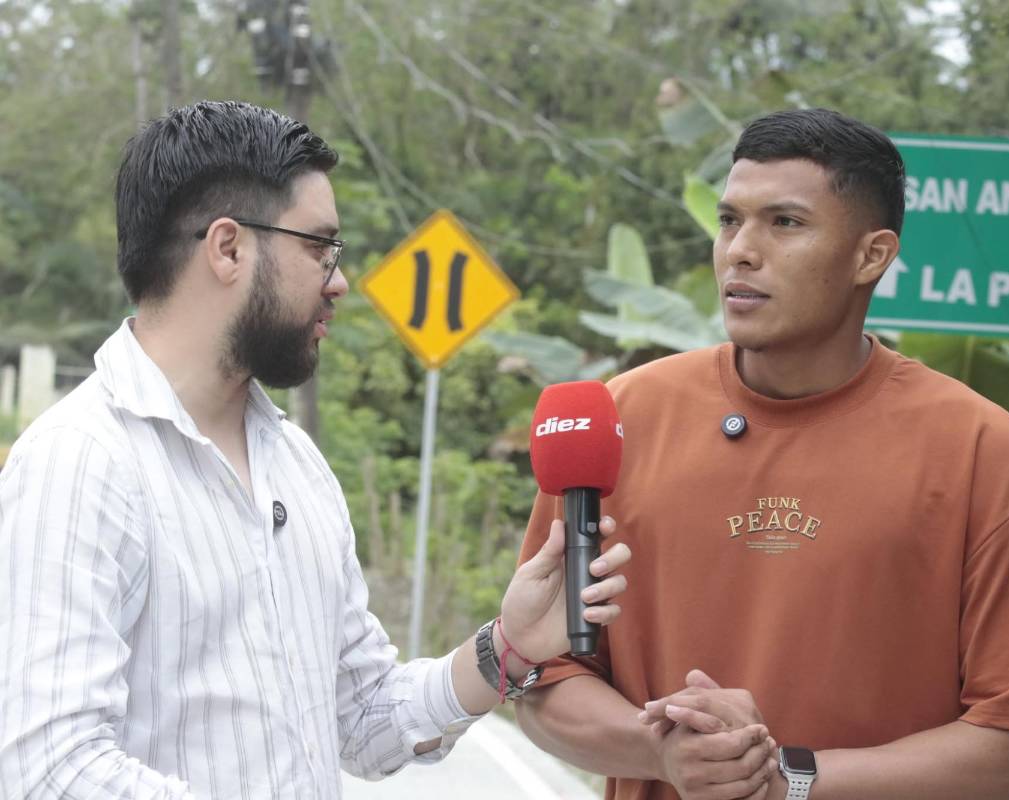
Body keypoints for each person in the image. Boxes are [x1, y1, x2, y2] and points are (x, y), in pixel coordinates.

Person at [0, 100, 631, 799]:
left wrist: (505, 650)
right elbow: (50, 769)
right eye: (318, 248)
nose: (339, 280)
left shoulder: (295, 463)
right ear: (229, 248)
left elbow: (360, 721)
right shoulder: (80, 461)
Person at [513, 108, 1009, 800]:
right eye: (730, 220)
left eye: (785, 223)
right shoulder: (619, 420)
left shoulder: (977, 447)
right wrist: (666, 752)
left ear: (872, 256)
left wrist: (789, 779)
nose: (740, 249)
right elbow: (543, 679)